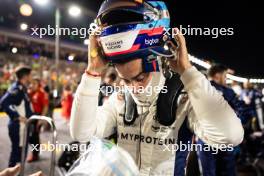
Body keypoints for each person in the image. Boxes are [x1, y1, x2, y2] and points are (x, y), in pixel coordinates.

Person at [70, 1, 244, 175]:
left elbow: (230, 136)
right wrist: (92, 71)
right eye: (126, 80)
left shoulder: (183, 98)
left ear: (159, 60)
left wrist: (188, 72)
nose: (134, 88)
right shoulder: (120, 98)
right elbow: (81, 134)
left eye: (140, 78)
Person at [196, 64, 248, 176]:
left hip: (205, 138)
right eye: (225, 76)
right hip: (224, 138)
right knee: (227, 170)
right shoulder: (228, 92)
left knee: (208, 172)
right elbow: (243, 109)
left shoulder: (198, 89)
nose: (226, 79)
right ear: (217, 76)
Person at [0, 66, 33, 167]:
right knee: (16, 153)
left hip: (23, 127)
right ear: (25, 76)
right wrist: (17, 116)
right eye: (30, 75)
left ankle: (18, 171)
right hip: (18, 126)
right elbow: (4, 102)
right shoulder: (16, 89)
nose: (31, 77)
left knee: (21, 153)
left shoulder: (22, 88)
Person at [27, 78, 49, 162]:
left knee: (34, 137)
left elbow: (45, 106)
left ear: (38, 84)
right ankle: (34, 152)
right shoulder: (31, 92)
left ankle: (35, 155)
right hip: (31, 117)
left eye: (34, 83)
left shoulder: (42, 93)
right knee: (31, 136)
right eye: (31, 83)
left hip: (37, 117)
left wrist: (41, 118)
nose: (32, 85)